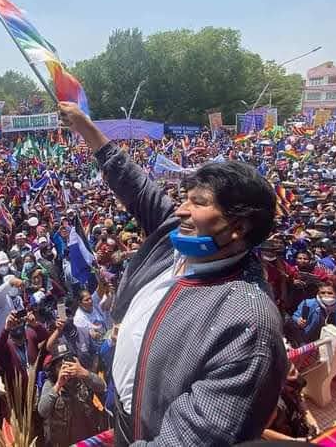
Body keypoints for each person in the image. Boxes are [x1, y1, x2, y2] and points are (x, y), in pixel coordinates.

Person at [59, 101, 287, 446]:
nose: (180, 209)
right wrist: (85, 127)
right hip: (124, 416)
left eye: (197, 202)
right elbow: (134, 184)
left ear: (237, 226)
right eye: (184, 198)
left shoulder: (246, 322)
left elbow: (191, 437)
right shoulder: (175, 239)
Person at [37, 342, 107, 446]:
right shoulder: (51, 384)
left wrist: (85, 373)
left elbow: (102, 387)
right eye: (60, 366)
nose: (66, 368)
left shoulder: (82, 377)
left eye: (69, 363)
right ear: (54, 369)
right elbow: (42, 411)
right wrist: (58, 385)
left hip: (86, 440)